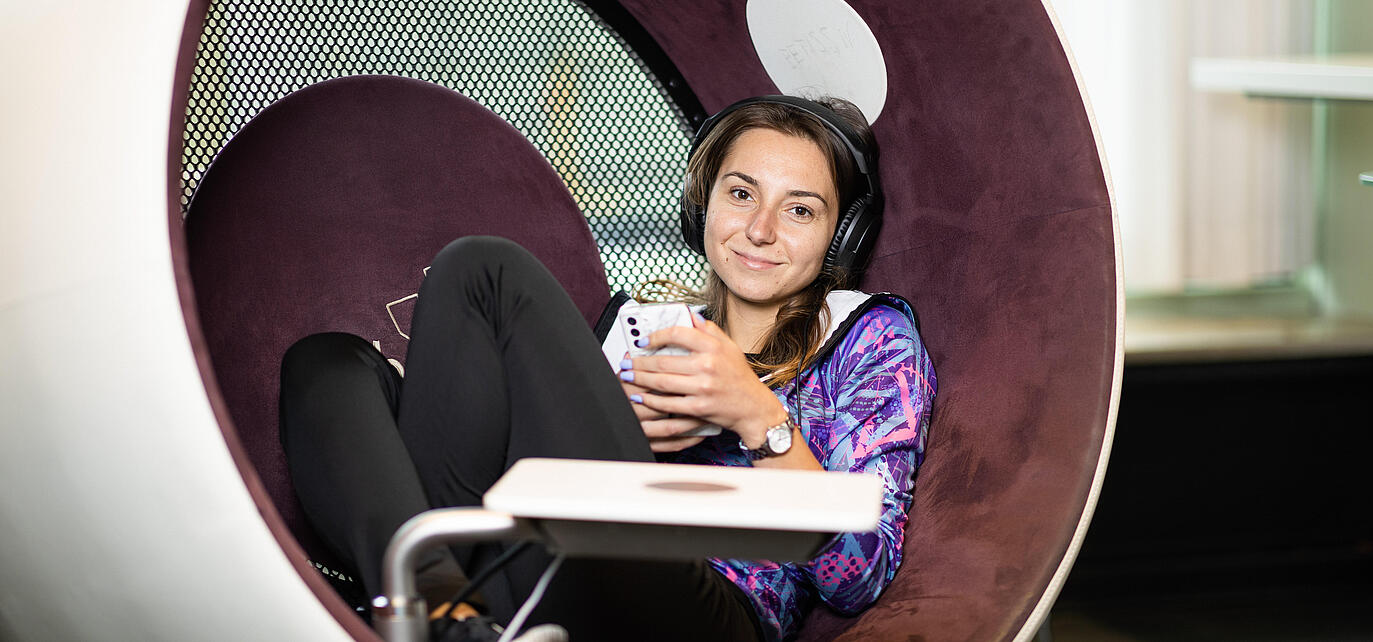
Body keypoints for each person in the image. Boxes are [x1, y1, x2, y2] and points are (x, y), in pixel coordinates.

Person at [279, 95, 936, 642]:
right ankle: (447, 610)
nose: (759, 230)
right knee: (328, 364)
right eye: (741, 193)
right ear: (702, 204)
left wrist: (756, 416)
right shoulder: (640, 332)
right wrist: (619, 429)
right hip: (536, 561)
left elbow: (863, 574)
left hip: (705, 610)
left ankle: (432, 602)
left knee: (488, 273)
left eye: (799, 209)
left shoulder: (867, 339)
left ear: (838, 238)